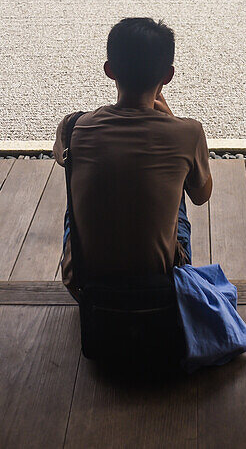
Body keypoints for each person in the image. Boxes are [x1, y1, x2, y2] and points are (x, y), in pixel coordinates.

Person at [54, 17, 213, 298]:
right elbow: (201, 195)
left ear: (109, 70)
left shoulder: (73, 126)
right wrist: (169, 118)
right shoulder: (189, 133)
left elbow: (61, 157)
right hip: (160, 287)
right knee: (178, 192)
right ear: (168, 75)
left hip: (85, 285)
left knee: (75, 196)